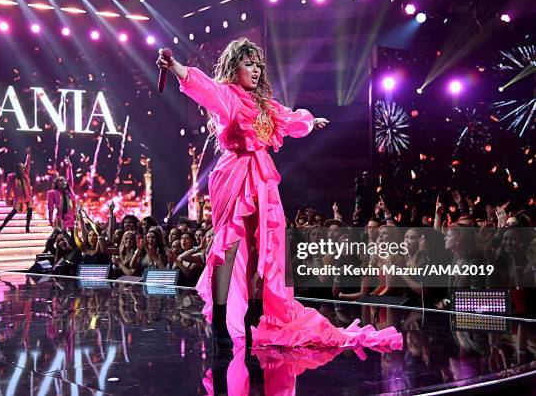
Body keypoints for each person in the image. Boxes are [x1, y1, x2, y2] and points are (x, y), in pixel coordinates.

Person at [157, 38, 402, 350]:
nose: (256, 70)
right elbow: (204, 87)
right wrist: (176, 67)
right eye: (249, 64)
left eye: (258, 65)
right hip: (235, 173)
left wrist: (312, 121)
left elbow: (289, 118)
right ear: (235, 67)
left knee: (264, 247)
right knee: (229, 244)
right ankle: (221, 319)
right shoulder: (228, 95)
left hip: (263, 177)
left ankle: (255, 315)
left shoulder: (264, 106)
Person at [0, 147, 34, 233]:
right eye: (21, 167)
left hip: (28, 195)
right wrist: (7, 198)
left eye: (24, 167)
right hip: (19, 197)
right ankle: (1, 226)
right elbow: (9, 188)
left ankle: (27, 227)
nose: (23, 168)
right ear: (18, 168)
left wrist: (28, 155)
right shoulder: (12, 176)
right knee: (14, 211)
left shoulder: (26, 174)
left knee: (30, 210)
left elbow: (28, 164)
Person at [47, 157, 76, 231]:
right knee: (61, 237)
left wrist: (70, 166)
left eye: (64, 181)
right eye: (61, 181)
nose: (64, 182)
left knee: (73, 237)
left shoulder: (69, 191)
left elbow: (70, 178)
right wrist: (51, 220)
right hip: (60, 217)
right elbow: (50, 208)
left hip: (71, 216)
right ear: (56, 183)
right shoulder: (52, 193)